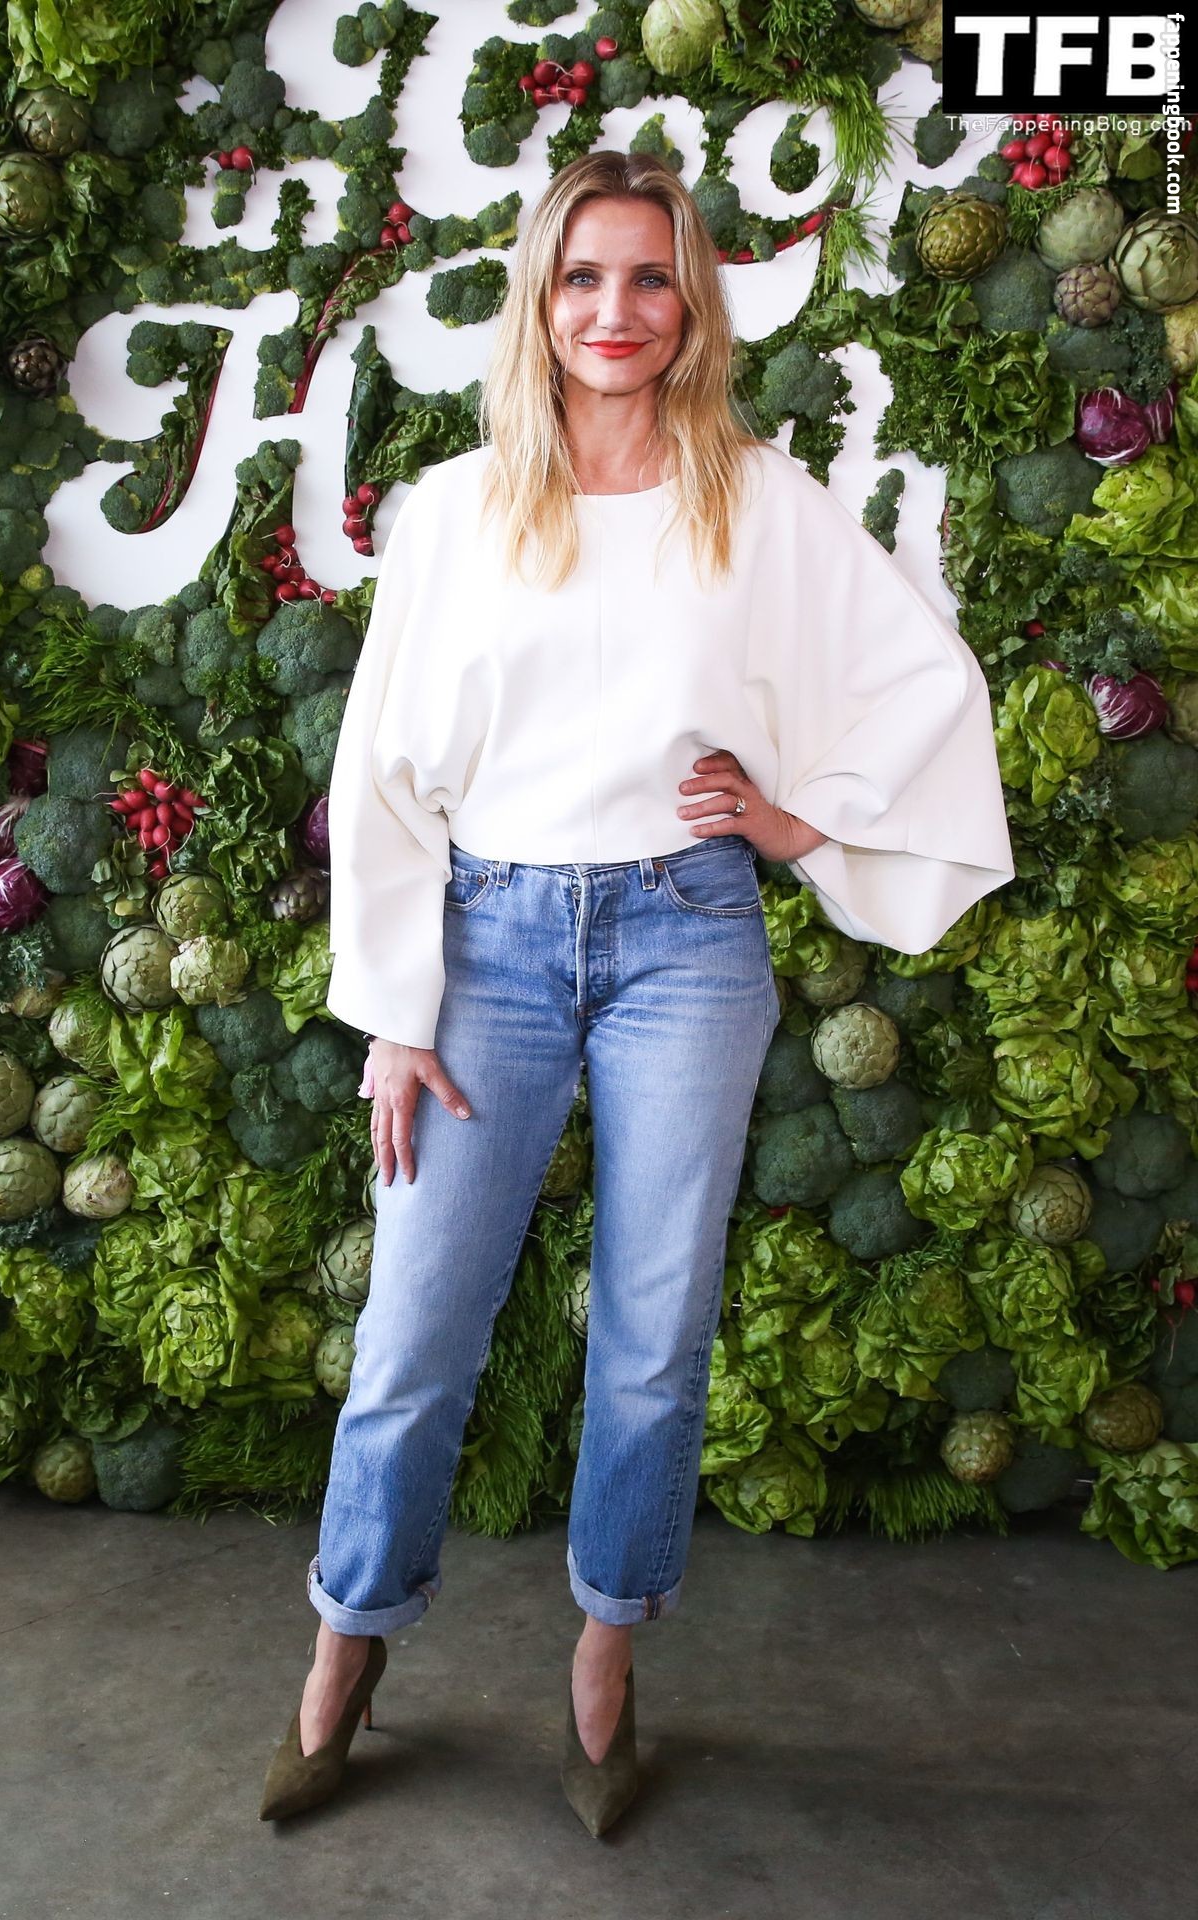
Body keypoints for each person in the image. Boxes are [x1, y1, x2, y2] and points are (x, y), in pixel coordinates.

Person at [258, 150, 1014, 1836]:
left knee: (655, 1338)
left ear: (693, 307)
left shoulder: (757, 498)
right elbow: (381, 767)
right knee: (414, 1328)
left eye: (652, 277)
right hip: (490, 945)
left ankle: (605, 1662)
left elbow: (920, 675)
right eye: (585, 276)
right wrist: (396, 1011)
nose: (617, 310)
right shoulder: (458, 509)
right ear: (542, 299)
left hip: (688, 940)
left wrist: (801, 820)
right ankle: (346, 1643)